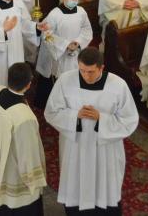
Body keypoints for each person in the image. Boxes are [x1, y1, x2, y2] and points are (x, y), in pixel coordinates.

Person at [44, 48, 139, 215]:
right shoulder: (65, 81)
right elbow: (51, 112)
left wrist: (101, 118)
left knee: (104, 186)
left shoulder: (118, 85)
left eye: (90, 72)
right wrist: (75, 116)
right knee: (76, 185)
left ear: (101, 68)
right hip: (75, 147)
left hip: (105, 150)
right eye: (82, 70)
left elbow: (129, 120)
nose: (85, 76)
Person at [0, 63, 47, 215]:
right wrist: (34, 179)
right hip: (13, 171)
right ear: (29, 84)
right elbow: (27, 154)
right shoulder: (25, 117)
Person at [35, 0, 93, 108]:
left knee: (74, 79)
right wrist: (66, 45)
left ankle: (72, 104)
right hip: (59, 54)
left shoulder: (81, 12)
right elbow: (46, 34)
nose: (74, 0)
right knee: (59, 81)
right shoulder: (55, 14)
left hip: (76, 52)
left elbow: (87, 30)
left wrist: (78, 42)